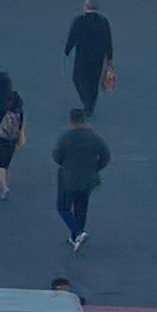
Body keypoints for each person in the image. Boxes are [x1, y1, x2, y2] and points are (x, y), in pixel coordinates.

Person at [52, 108, 110, 252]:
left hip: (68, 179)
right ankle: (76, 237)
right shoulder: (93, 137)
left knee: (63, 207)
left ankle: (78, 232)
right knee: (81, 207)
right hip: (87, 178)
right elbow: (106, 155)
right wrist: (96, 168)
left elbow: (57, 156)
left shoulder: (66, 138)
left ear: (70, 120)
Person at [63, 1, 114, 119]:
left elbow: (72, 37)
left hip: (83, 57)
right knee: (94, 81)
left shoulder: (79, 21)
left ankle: (87, 102)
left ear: (85, 8)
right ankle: (91, 105)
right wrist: (110, 57)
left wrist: (67, 51)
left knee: (78, 78)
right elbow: (108, 40)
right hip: (98, 57)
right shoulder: (103, 22)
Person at [0, 70, 26, 196]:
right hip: (13, 132)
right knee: (7, 157)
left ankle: (4, 186)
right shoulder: (15, 97)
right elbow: (21, 114)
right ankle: (2, 179)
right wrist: (21, 131)